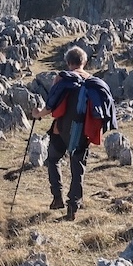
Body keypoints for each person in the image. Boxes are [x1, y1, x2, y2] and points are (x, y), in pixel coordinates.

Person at [34, 46, 92, 220]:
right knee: (77, 168)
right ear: (84, 62)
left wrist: (38, 114)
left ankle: (57, 197)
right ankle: (73, 207)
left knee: (53, 159)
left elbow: (52, 104)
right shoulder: (91, 81)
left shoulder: (62, 78)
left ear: (68, 62)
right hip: (82, 131)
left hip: (60, 130)